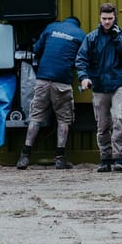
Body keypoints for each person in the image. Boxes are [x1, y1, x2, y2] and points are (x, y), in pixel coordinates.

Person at [16, 13, 85, 169]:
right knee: (63, 120)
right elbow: (82, 59)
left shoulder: (51, 27)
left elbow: (36, 49)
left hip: (43, 79)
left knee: (35, 118)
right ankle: (60, 159)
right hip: (62, 82)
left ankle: (24, 157)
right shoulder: (80, 35)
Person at [75, 2, 122, 172]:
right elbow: (81, 59)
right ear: (99, 18)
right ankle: (105, 158)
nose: (107, 22)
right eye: (104, 18)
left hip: (119, 83)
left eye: (110, 18)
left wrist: (117, 39)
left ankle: (118, 157)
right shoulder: (92, 38)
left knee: (120, 120)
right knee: (102, 125)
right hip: (99, 85)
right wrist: (84, 77)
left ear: (115, 17)